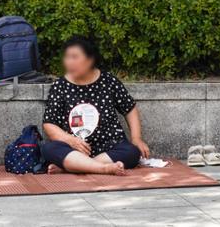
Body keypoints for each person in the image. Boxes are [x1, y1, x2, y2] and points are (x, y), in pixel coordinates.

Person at [41, 36, 150, 176]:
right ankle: (103, 168)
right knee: (49, 149)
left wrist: (136, 138)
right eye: (67, 57)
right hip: (73, 148)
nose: (69, 62)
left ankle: (74, 167)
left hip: (109, 146)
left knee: (132, 152)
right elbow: (49, 123)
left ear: (90, 59)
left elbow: (129, 108)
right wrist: (71, 141)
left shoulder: (108, 81)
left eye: (75, 57)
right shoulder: (60, 85)